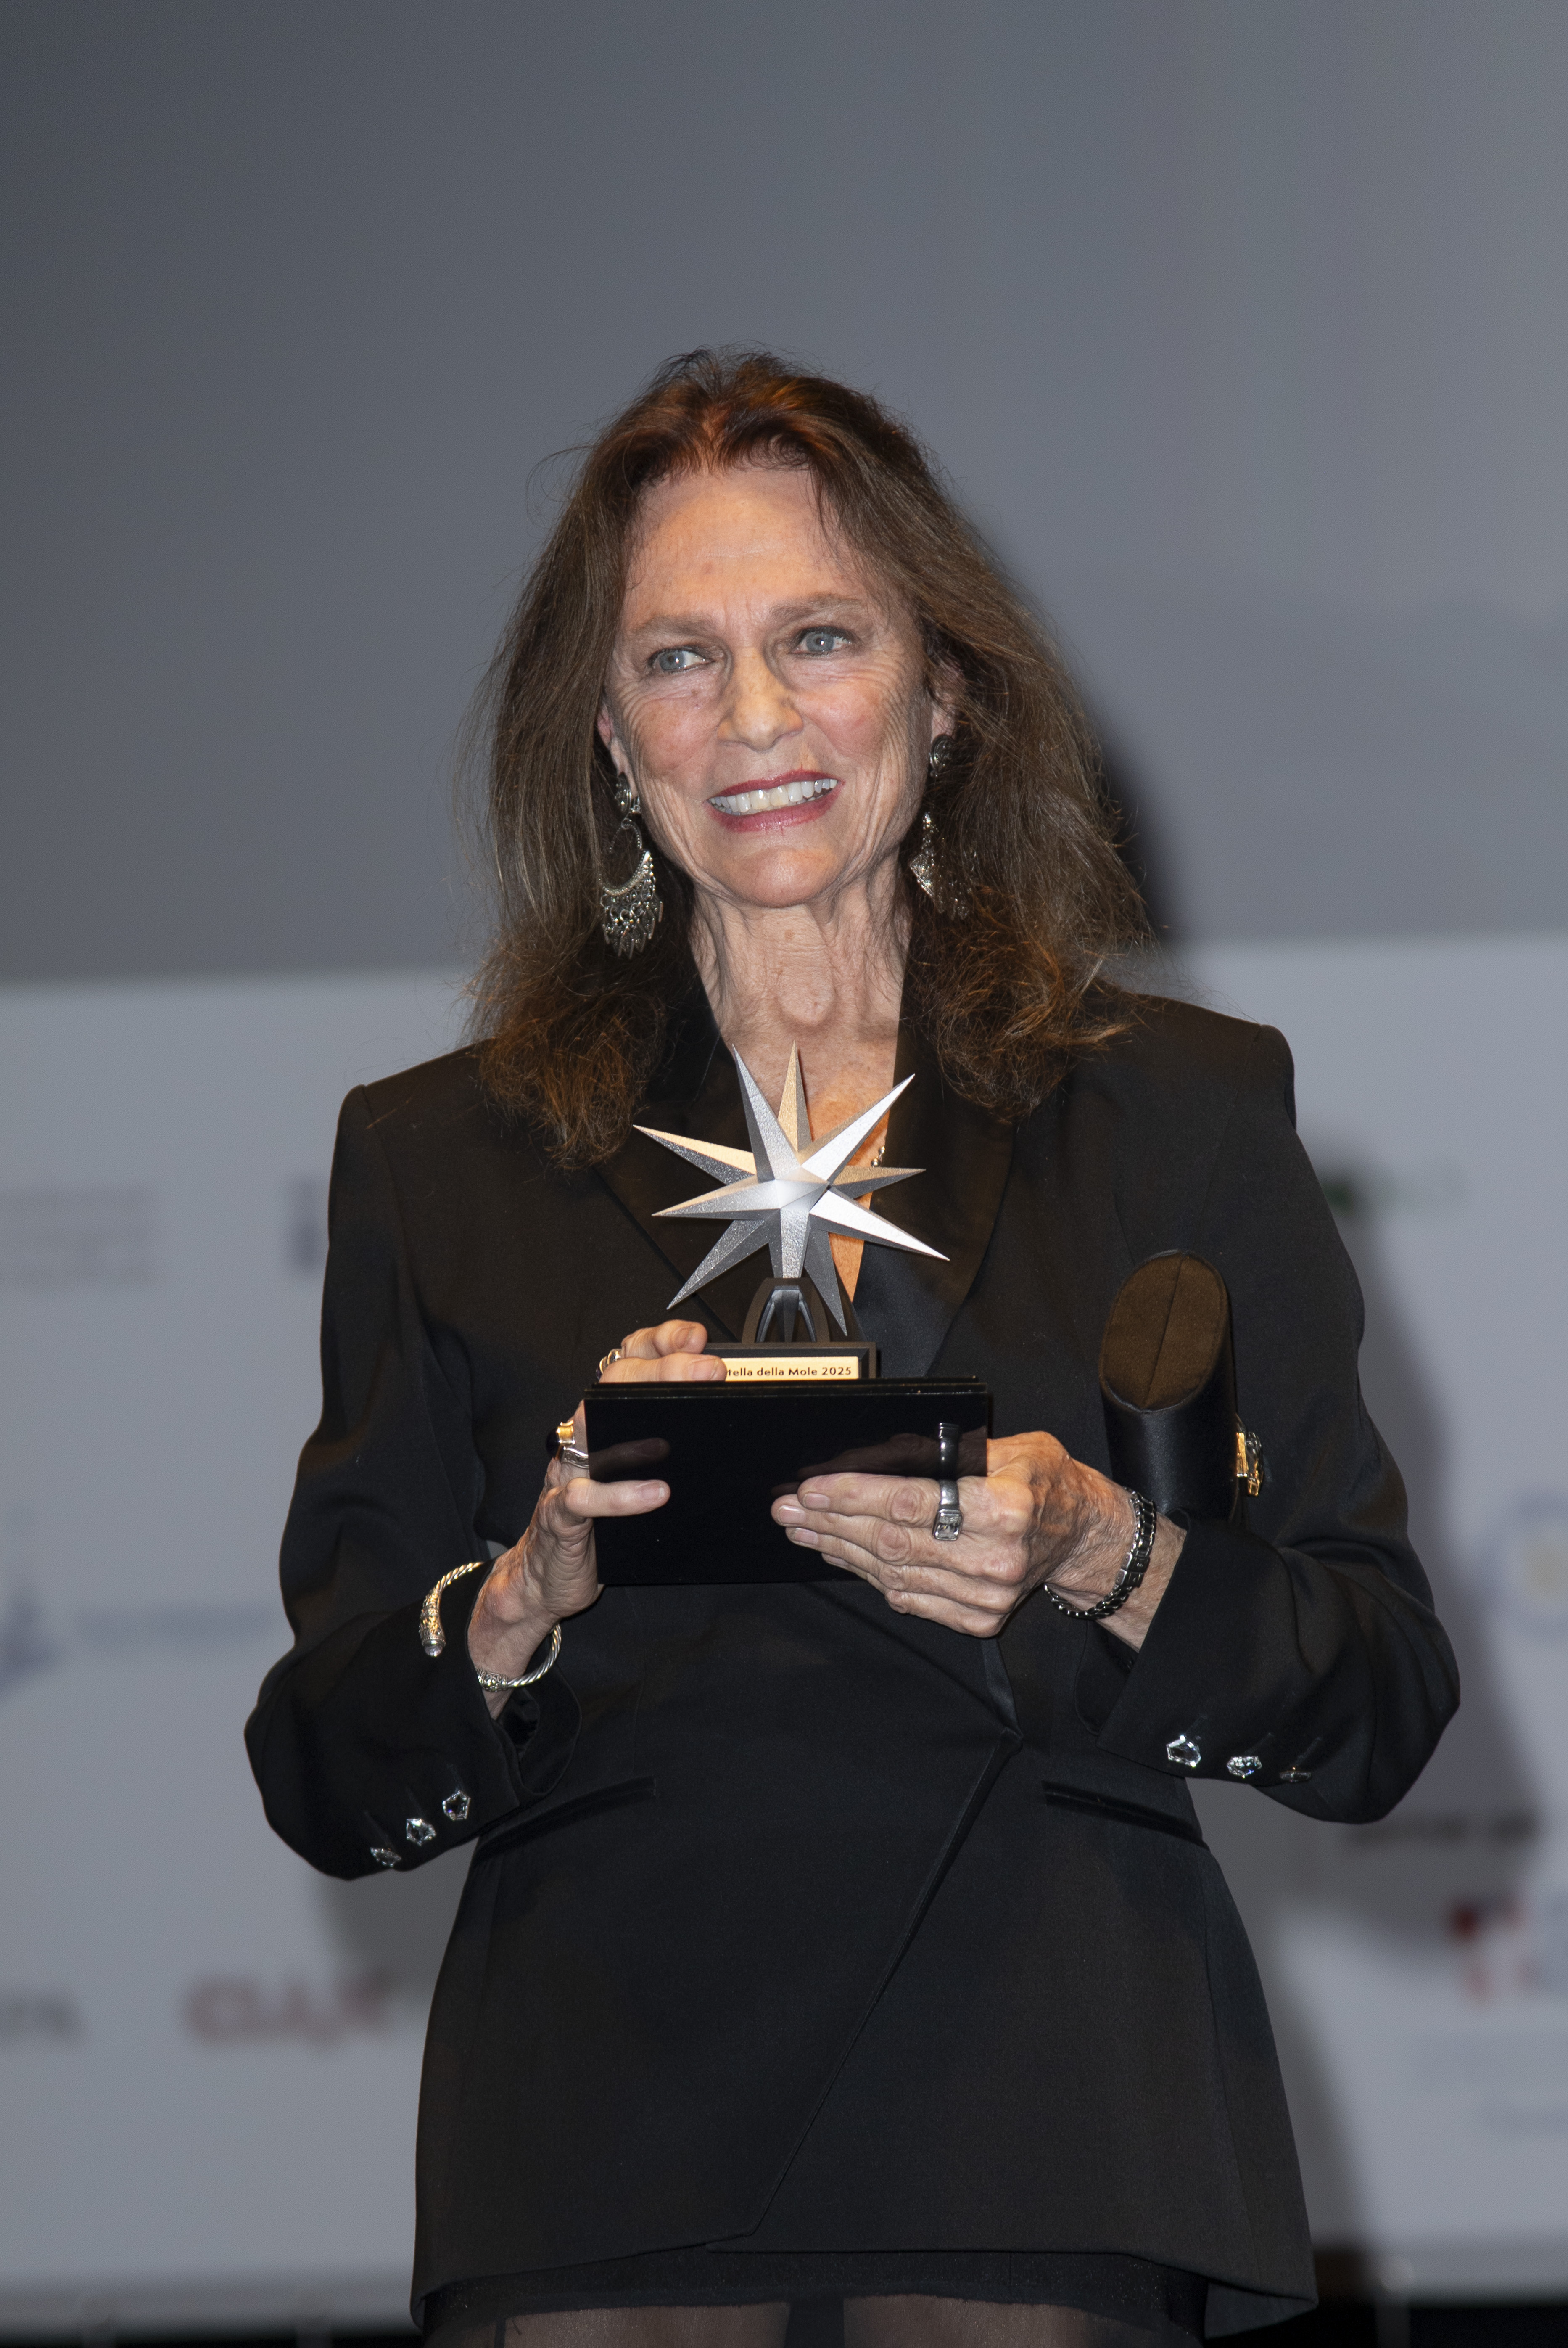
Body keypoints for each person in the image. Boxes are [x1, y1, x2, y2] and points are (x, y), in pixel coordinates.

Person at [246, 351, 1458, 2348]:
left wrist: (1107, 1554)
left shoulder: (1184, 1115)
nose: (754, 721)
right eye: (676, 660)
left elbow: (1376, 1693)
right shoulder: (433, 1154)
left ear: (945, 689)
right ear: (606, 736)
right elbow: (323, 1761)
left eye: (818, 638)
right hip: (597, 2125)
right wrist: (521, 1595)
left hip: (1044, 2094)